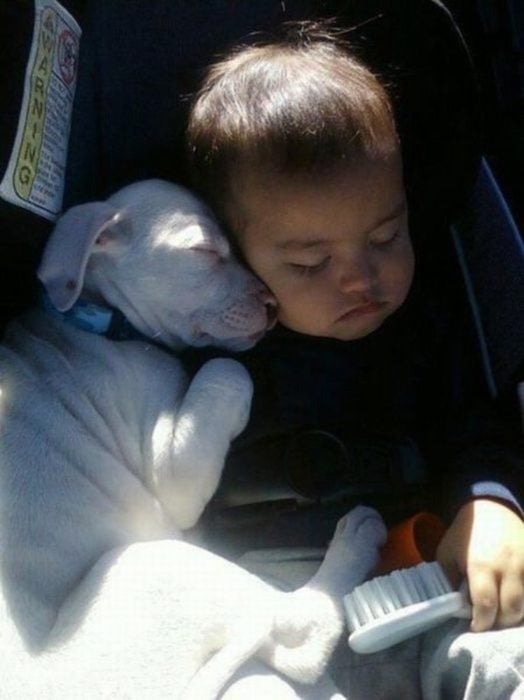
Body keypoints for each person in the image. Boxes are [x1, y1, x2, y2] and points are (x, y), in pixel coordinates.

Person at [186, 21, 524, 698]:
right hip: (262, 612)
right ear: (235, 253)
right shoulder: (200, 344)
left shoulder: (419, 324)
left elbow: (474, 426)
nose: (360, 279)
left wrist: (490, 504)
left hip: (426, 586)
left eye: (386, 235)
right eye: (311, 262)